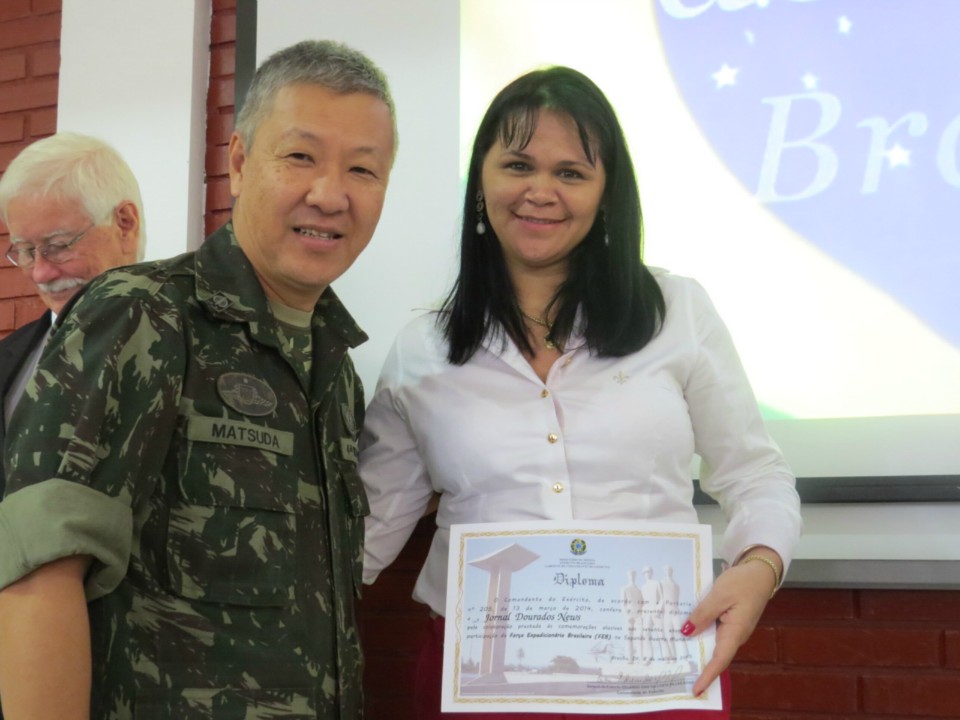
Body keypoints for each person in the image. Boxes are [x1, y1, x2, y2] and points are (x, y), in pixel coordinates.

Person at [360, 66, 801, 719]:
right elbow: (365, 530)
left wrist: (759, 569)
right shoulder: (422, 349)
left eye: (571, 172)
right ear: (480, 184)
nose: (541, 191)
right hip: (475, 685)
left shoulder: (678, 311)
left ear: (605, 196)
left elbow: (756, 473)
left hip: (658, 681)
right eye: (518, 164)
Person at [0, 39, 396, 720]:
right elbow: (38, 575)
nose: (330, 194)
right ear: (239, 162)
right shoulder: (142, 315)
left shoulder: (334, 370)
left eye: (363, 169)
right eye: (300, 156)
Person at [0, 132, 144, 499]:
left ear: (124, 223)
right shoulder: (8, 359)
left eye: (59, 246)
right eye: (25, 251)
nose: (40, 274)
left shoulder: (207, 341)